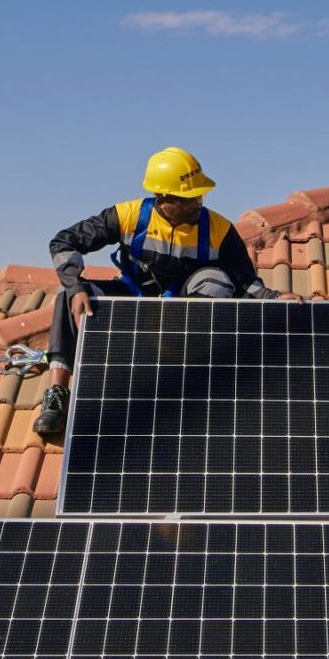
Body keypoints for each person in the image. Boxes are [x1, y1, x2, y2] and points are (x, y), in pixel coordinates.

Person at [32, 147, 277, 440]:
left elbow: (246, 282)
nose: (197, 203)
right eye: (188, 198)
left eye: (199, 196)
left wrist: (273, 300)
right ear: (163, 198)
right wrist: (74, 286)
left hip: (185, 315)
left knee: (217, 280)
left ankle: (194, 383)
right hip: (133, 296)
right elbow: (63, 243)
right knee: (68, 295)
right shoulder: (128, 216)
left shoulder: (219, 229)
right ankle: (57, 396)